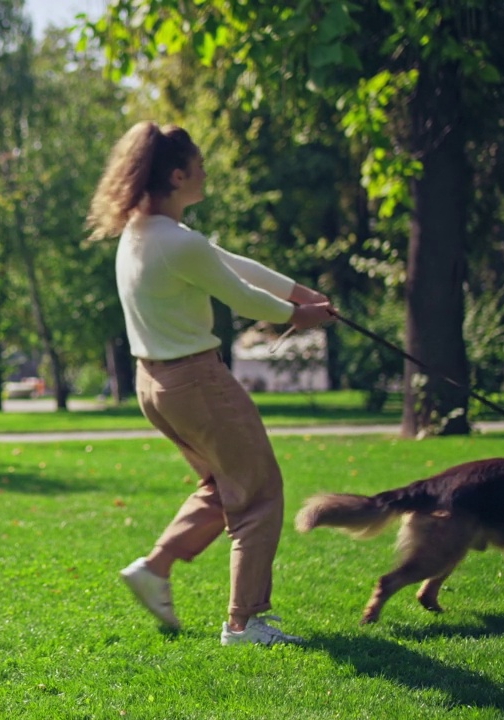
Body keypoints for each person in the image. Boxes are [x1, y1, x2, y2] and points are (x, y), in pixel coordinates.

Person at [86, 121, 334, 646]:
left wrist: (300, 293)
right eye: (199, 168)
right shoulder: (177, 242)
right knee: (259, 492)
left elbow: (229, 265)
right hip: (196, 381)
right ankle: (246, 623)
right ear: (178, 175)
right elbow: (241, 297)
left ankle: (155, 568)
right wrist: (299, 316)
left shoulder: (142, 234)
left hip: (154, 385)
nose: (204, 175)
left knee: (222, 486)